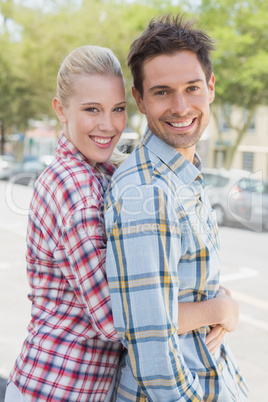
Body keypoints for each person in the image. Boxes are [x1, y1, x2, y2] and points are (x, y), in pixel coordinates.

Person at [104, 14, 249, 401]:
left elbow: (181, 286)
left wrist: (220, 304)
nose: (181, 106)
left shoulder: (182, 175)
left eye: (192, 88)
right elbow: (151, 344)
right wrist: (219, 309)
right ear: (139, 99)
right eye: (162, 92)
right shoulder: (147, 192)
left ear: (211, 88)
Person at [5, 45, 127, 402]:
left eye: (118, 110)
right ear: (61, 109)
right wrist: (214, 310)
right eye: (92, 110)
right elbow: (110, 319)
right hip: (54, 389)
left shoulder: (101, 170)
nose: (108, 125)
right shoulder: (73, 183)